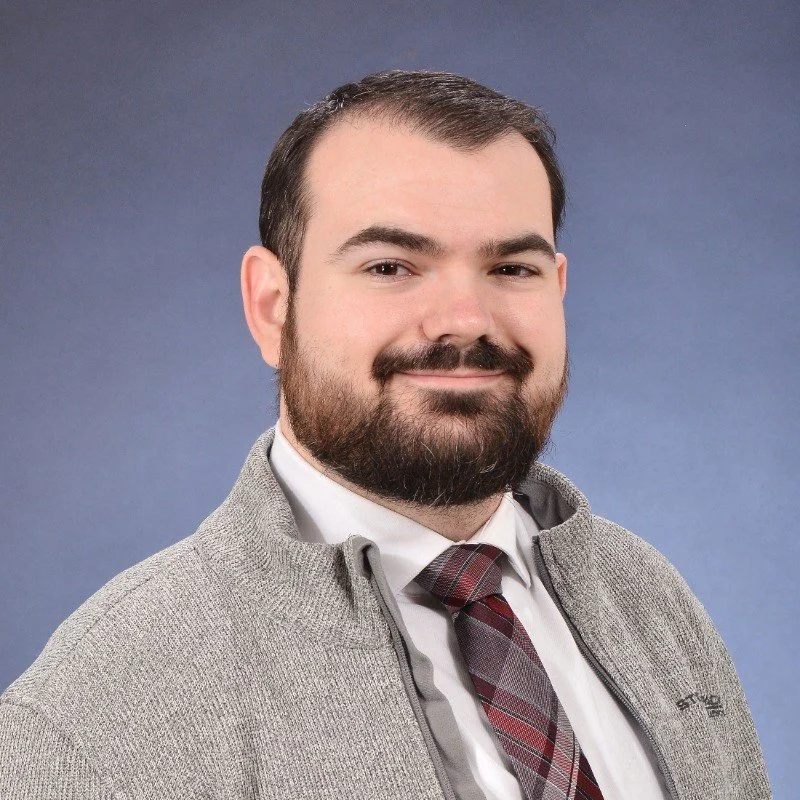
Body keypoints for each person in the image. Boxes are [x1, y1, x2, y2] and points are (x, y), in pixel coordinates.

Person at [0, 70, 771, 800]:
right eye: (391, 266)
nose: (464, 320)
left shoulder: (648, 598)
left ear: (559, 288)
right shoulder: (90, 722)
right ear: (272, 306)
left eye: (512, 269)